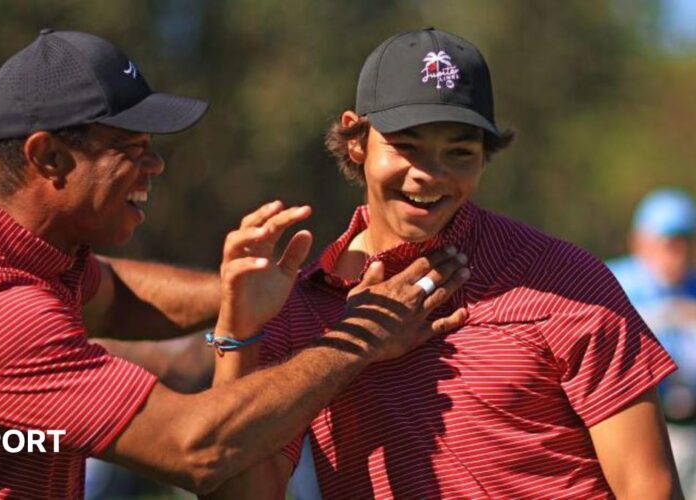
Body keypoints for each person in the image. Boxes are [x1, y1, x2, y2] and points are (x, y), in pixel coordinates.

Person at [0, 30, 469, 498]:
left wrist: (255, 294)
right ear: (47, 156)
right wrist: (360, 335)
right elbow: (196, 446)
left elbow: (116, 295)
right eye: (130, 148)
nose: (155, 168)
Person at [206, 28, 682, 499]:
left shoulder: (563, 278)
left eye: (459, 152)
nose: (430, 175)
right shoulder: (301, 304)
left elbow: (650, 487)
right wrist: (239, 329)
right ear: (357, 139)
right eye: (406, 146)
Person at [608, 188, 696, 497]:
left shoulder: (692, 286)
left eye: (683, 241)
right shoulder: (613, 282)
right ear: (640, 241)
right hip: (636, 424)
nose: (676, 251)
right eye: (667, 241)